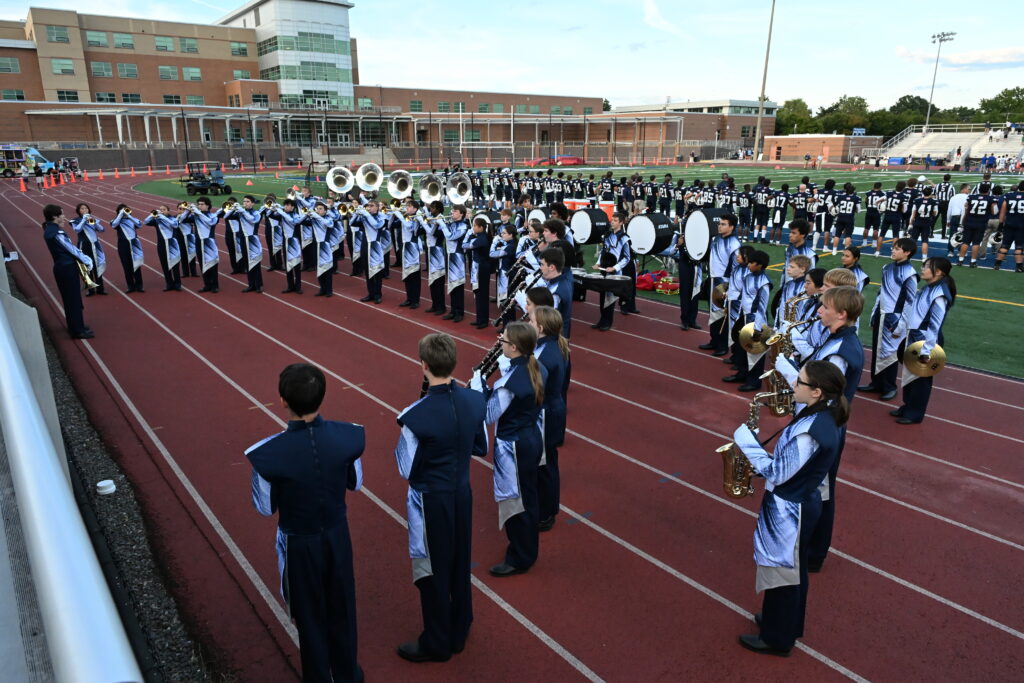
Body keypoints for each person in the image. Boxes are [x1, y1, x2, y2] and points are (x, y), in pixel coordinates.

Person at [245, 364, 365, 682]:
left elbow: (263, 507)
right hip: (338, 535)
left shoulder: (266, 454)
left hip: (299, 541)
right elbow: (357, 482)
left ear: (283, 400)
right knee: (342, 606)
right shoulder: (350, 435)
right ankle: (347, 673)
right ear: (322, 397)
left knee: (309, 616)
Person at [733, 361, 848, 657]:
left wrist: (747, 442)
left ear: (817, 392)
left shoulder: (811, 430)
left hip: (791, 509)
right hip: (797, 503)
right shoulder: (821, 413)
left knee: (784, 572)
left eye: (800, 382)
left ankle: (777, 638)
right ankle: (781, 622)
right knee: (790, 570)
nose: (793, 385)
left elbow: (777, 473)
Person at [394, 334, 486, 663]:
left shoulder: (414, 415)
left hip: (431, 499)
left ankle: (436, 641)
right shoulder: (476, 401)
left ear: (423, 365)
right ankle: (460, 626)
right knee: (460, 561)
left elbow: (404, 466)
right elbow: (481, 447)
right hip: (462, 493)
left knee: (433, 569)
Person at [469, 322, 547, 576]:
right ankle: (528, 549)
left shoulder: (510, 382)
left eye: (503, 341)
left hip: (513, 446)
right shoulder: (537, 366)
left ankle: (520, 556)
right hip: (531, 438)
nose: (499, 343)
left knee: (515, 501)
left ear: (514, 347)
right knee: (529, 495)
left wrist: (479, 390)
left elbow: (489, 414)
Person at [891, 258, 956, 424]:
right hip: (914, 337)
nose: (923, 269)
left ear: (939, 272)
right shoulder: (928, 288)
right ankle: (907, 406)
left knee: (921, 378)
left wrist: (927, 350)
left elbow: (935, 324)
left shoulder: (940, 293)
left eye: (927, 267)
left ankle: (915, 413)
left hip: (927, 340)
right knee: (909, 374)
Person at [858, 238, 918, 401]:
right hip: (881, 314)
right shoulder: (887, 268)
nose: (892, 250)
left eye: (897, 249)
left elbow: (910, 301)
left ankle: (889, 386)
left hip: (895, 319)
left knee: (890, 351)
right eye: (893, 248)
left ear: (907, 253)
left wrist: (902, 324)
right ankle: (876, 383)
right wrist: (874, 313)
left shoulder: (910, 274)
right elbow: (881, 293)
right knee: (878, 349)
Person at [530, 306, 569, 532]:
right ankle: (547, 507)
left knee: (545, 465)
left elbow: (535, 386)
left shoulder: (547, 354)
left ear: (541, 328)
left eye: (532, 321)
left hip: (547, 413)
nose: (528, 323)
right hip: (552, 410)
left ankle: (546, 513)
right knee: (547, 462)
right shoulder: (551, 345)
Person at [42, 204, 94, 339]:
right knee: (73, 299)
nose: (64, 217)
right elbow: (70, 248)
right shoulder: (56, 233)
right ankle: (78, 330)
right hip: (66, 268)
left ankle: (76, 325)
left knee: (71, 299)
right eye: (62, 215)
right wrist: (87, 260)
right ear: (55, 217)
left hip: (63, 268)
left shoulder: (49, 228)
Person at [723, 250, 771, 391]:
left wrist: (757, 327)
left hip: (756, 319)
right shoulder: (748, 277)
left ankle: (754, 381)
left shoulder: (764, 283)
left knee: (754, 352)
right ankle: (741, 374)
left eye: (751, 262)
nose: (749, 264)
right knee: (741, 347)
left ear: (760, 265)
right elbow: (743, 297)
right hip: (743, 316)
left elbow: (762, 305)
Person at [700, 214, 741, 356]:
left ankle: (722, 345)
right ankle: (714, 340)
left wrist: (730, 287)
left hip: (724, 282)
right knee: (713, 313)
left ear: (732, 227)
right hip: (712, 279)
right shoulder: (715, 239)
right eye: (720, 223)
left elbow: (736, 268)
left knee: (722, 315)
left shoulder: (735, 244)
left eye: (724, 224)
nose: (720, 226)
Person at [591, 212, 632, 331]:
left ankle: (607, 322)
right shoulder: (607, 235)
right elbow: (604, 251)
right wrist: (598, 262)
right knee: (602, 295)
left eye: (615, 220)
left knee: (610, 297)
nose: (612, 222)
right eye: (612, 220)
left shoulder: (625, 238)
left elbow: (627, 258)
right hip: (604, 269)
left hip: (614, 272)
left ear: (621, 223)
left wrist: (615, 268)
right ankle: (601, 320)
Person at [182, 197, 221, 293]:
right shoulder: (196, 216)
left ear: (208, 205)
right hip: (199, 242)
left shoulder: (213, 215)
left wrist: (198, 213)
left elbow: (210, 222)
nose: (199, 206)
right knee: (203, 264)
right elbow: (182, 220)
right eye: (198, 204)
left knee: (212, 264)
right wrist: (187, 211)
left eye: (202, 204)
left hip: (209, 242)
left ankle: (215, 286)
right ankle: (207, 285)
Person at [70, 203, 108, 296]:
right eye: (82, 209)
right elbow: (77, 230)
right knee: (87, 267)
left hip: (95, 245)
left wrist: (94, 222)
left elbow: (102, 229)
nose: (84, 210)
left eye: (86, 208)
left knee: (97, 265)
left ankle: (100, 289)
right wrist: (83, 220)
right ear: (79, 211)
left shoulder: (92, 219)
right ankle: (90, 289)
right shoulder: (75, 221)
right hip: (84, 245)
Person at [957, 182, 996, 267]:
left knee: (965, 242)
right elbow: (994, 211)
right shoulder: (991, 199)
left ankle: (960, 260)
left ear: (979, 189)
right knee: (976, 243)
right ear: (988, 190)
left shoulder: (971, 197)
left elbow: (966, 207)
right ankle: (973, 261)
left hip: (969, 221)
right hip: (981, 223)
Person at [464, 216, 494, 328]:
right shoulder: (480, 237)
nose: (473, 228)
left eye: (475, 226)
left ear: (481, 227)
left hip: (482, 268)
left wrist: (468, 235)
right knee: (478, 293)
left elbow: (464, 245)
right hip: (479, 267)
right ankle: (479, 318)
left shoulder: (482, 239)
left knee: (482, 294)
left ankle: (483, 320)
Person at [144, 204, 183, 292]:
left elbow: (175, 225)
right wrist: (152, 214)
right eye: (160, 210)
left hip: (172, 244)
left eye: (164, 209)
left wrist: (162, 217)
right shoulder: (157, 220)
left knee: (175, 265)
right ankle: (169, 284)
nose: (162, 211)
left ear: (168, 211)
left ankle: (177, 284)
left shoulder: (173, 218)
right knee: (165, 265)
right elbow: (145, 222)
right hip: (161, 245)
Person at [110, 204, 145, 293]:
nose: (124, 211)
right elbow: (114, 225)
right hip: (123, 245)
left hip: (134, 244)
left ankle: (139, 285)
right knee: (127, 266)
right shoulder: (116, 221)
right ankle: (130, 286)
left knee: (136, 264)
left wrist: (129, 216)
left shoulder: (132, 220)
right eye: (122, 210)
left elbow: (140, 225)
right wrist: (120, 214)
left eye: (126, 210)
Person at [995, 180, 1024, 272]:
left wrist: (1000, 224)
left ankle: (997, 264)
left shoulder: (1009, 196)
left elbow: (1003, 210)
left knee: (1005, 245)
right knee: (1019, 246)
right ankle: (1019, 267)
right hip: (1021, 225)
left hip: (1009, 224)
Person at [908, 186, 940, 260]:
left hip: (917, 221)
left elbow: (913, 213)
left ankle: (908, 255)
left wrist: (910, 223)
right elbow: (935, 213)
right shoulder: (933, 201)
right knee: (925, 240)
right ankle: (924, 257)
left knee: (913, 239)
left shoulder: (917, 200)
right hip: (926, 222)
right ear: (931, 193)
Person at [934, 174, 955, 239]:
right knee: (944, 219)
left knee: (934, 218)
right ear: (949, 179)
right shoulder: (951, 186)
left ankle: (930, 233)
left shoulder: (938, 185)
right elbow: (953, 196)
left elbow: (934, 194)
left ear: (943, 178)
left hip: (937, 202)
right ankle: (943, 235)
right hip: (946, 203)